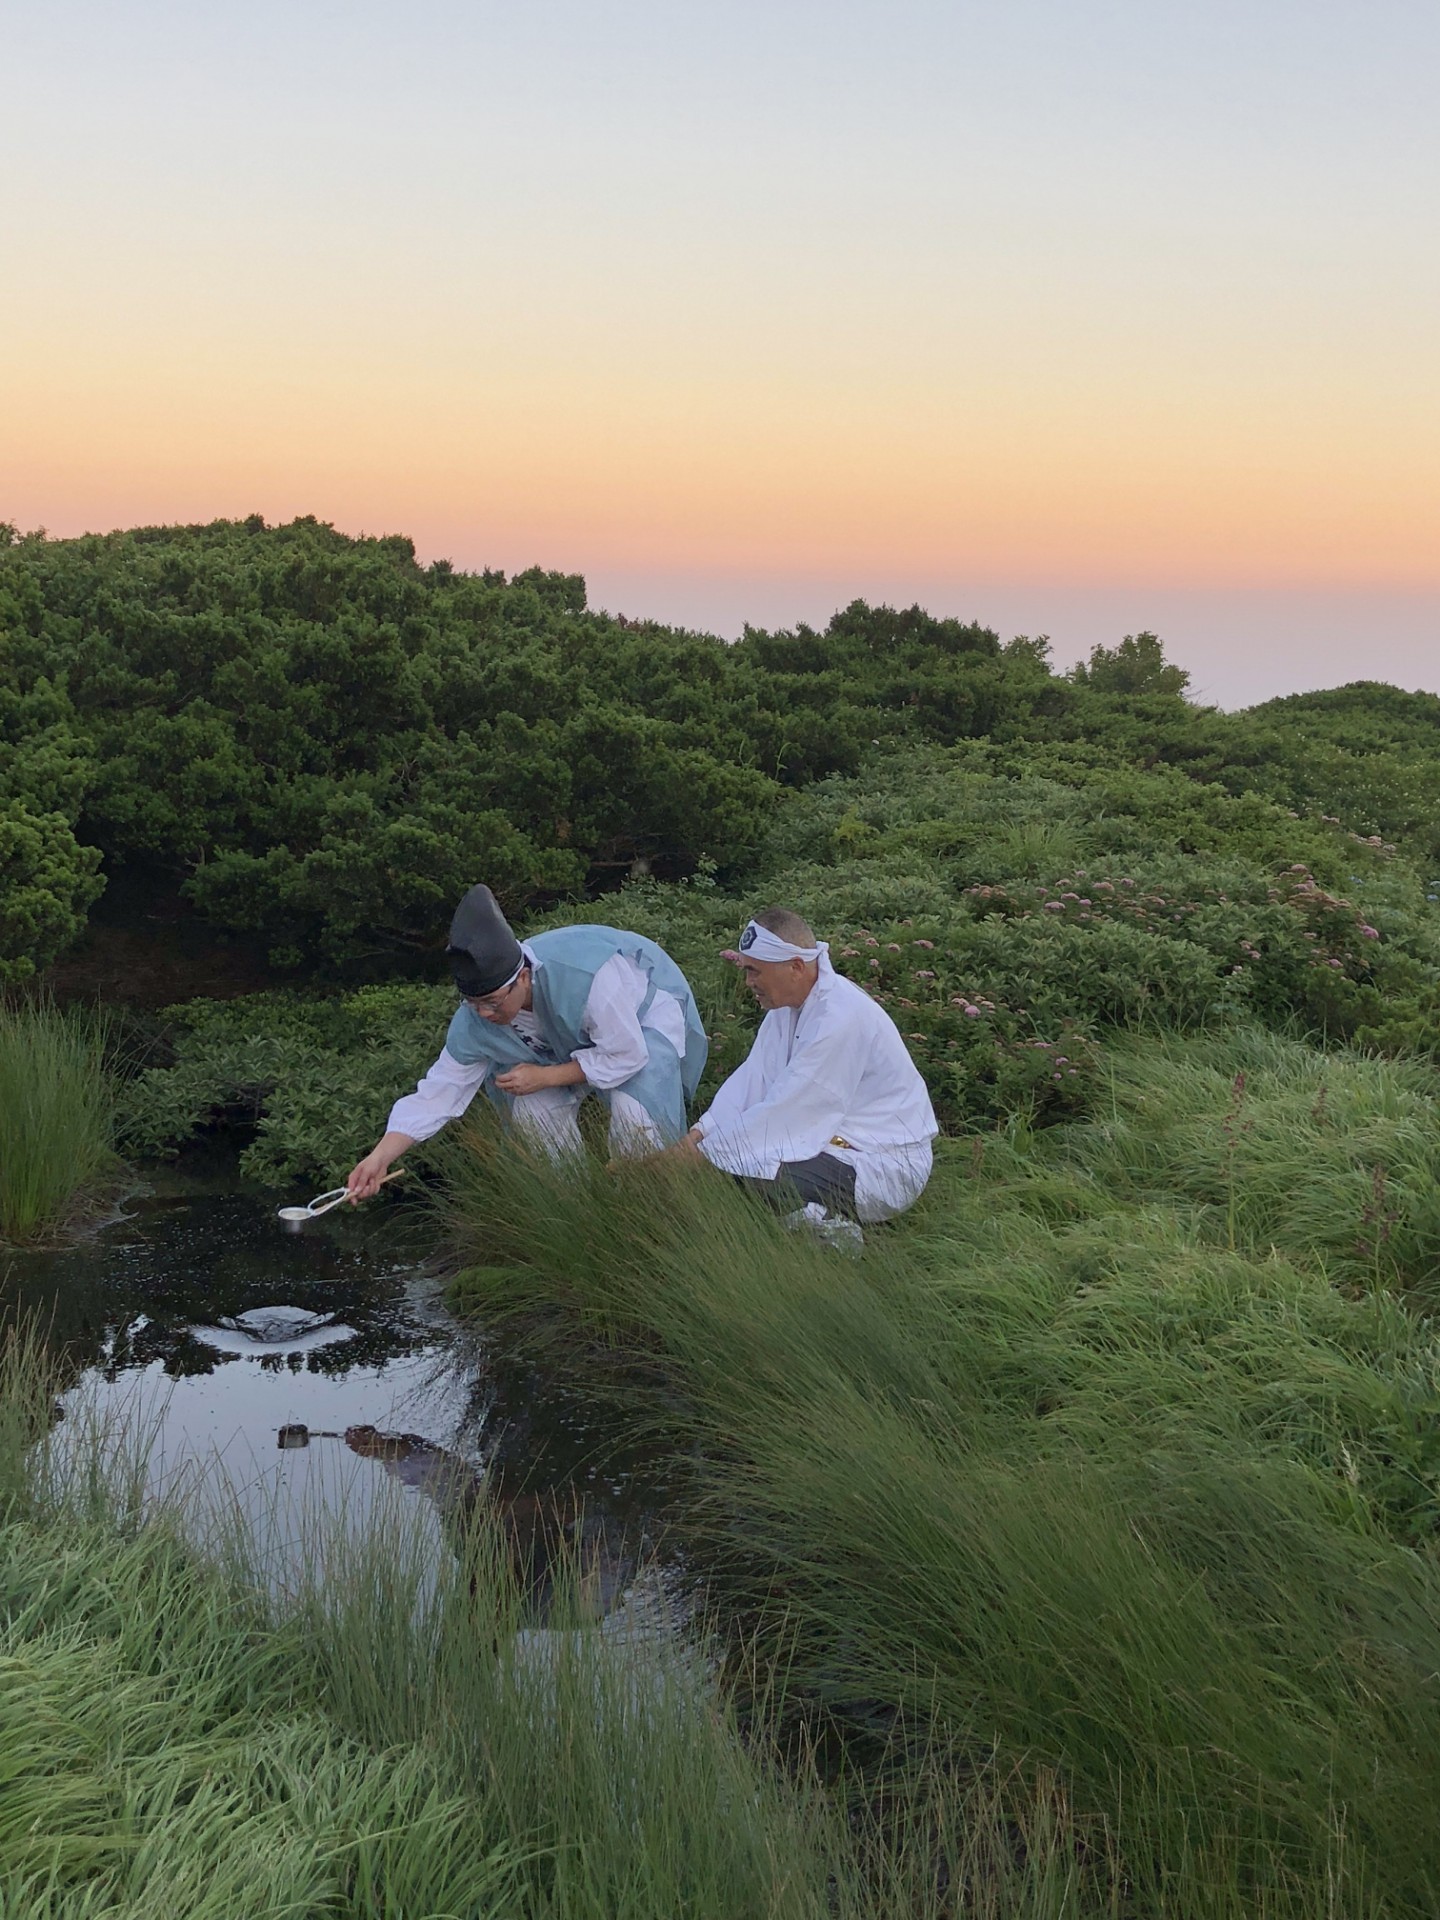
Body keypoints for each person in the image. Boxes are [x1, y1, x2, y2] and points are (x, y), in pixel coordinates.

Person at [347, 884, 707, 1195]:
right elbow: (439, 1093)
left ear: (523, 977)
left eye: (492, 1002)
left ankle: (652, 1213)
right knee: (533, 1113)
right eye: (474, 1004)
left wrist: (547, 1076)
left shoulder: (586, 976)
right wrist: (379, 1158)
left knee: (635, 1123)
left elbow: (627, 1055)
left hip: (638, 1025)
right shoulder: (474, 1022)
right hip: (560, 1049)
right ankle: (579, 1208)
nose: (486, 1014)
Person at [669, 908, 937, 1224]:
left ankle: (833, 1237)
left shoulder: (839, 1018)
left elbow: (792, 1109)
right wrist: (695, 1139)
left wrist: (699, 1158)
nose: (748, 982)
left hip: (883, 1161)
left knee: (746, 1179)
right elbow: (752, 1083)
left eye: (755, 971)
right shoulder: (783, 1012)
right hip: (833, 1145)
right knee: (730, 1168)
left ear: (796, 967)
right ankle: (810, 1226)